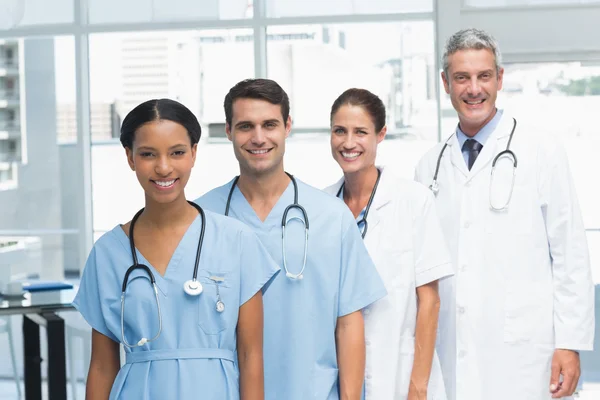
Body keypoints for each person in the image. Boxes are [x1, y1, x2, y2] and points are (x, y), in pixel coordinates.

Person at [414, 28, 595, 400]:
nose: (473, 89)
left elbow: (570, 255)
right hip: (453, 349)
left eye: (483, 76)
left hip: (527, 353)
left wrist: (570, 343)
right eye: (462, 78)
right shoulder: (429, 166)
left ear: (499, 79)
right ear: (446, 83)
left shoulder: (541, 150)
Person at [73, 98, 280, 400]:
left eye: (177, 152)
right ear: (130, 158)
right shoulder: (108, 253)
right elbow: (103, 367)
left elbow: (251, 357)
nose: (163, 167)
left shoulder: (237, 241)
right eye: (147, 154)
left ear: (194, 153)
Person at [195, 78, 387, 400]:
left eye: (269, 124)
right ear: (228, 131)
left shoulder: (332, 216)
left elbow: (349, 324)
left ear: (287, 127)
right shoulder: (201, 220)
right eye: (245, 126)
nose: (258, 138)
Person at [323, 88, 453, 400]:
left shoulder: (412, 200)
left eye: (360, 132)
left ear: (380, 135)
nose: (348, 143)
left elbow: (430, 301)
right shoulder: (322, 206)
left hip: (400, 372)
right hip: (341, 375)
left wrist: (418, 387)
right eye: (340, 131)